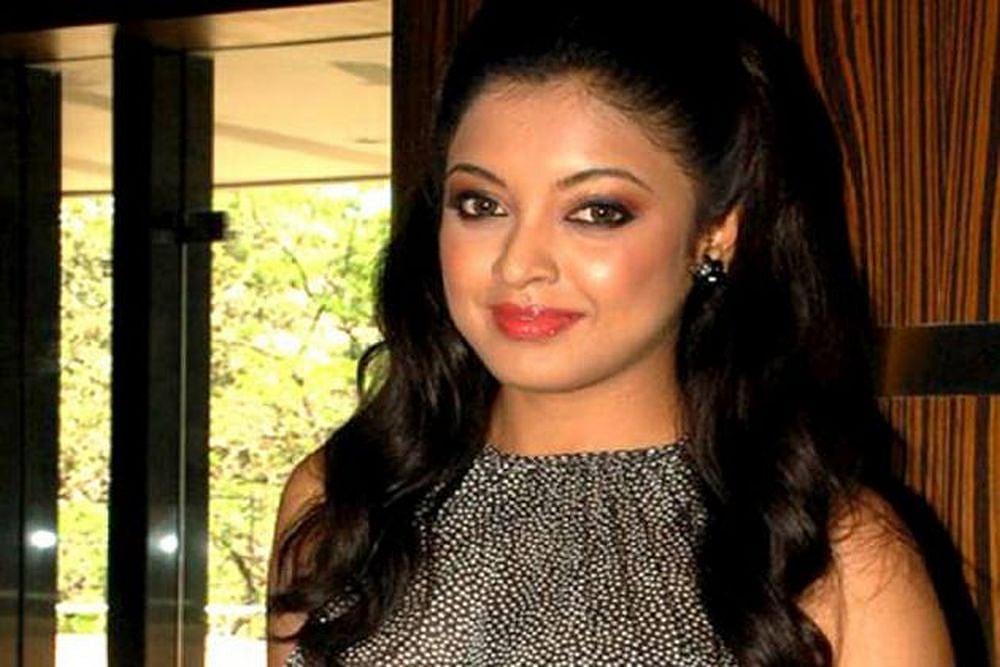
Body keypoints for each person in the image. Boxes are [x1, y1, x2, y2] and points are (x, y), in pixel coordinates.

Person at [267, 1, 954, 665]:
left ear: (716, 232)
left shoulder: (834, 554)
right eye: (481, 204)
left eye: (596, 211)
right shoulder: (343, 505)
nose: (519, 263)